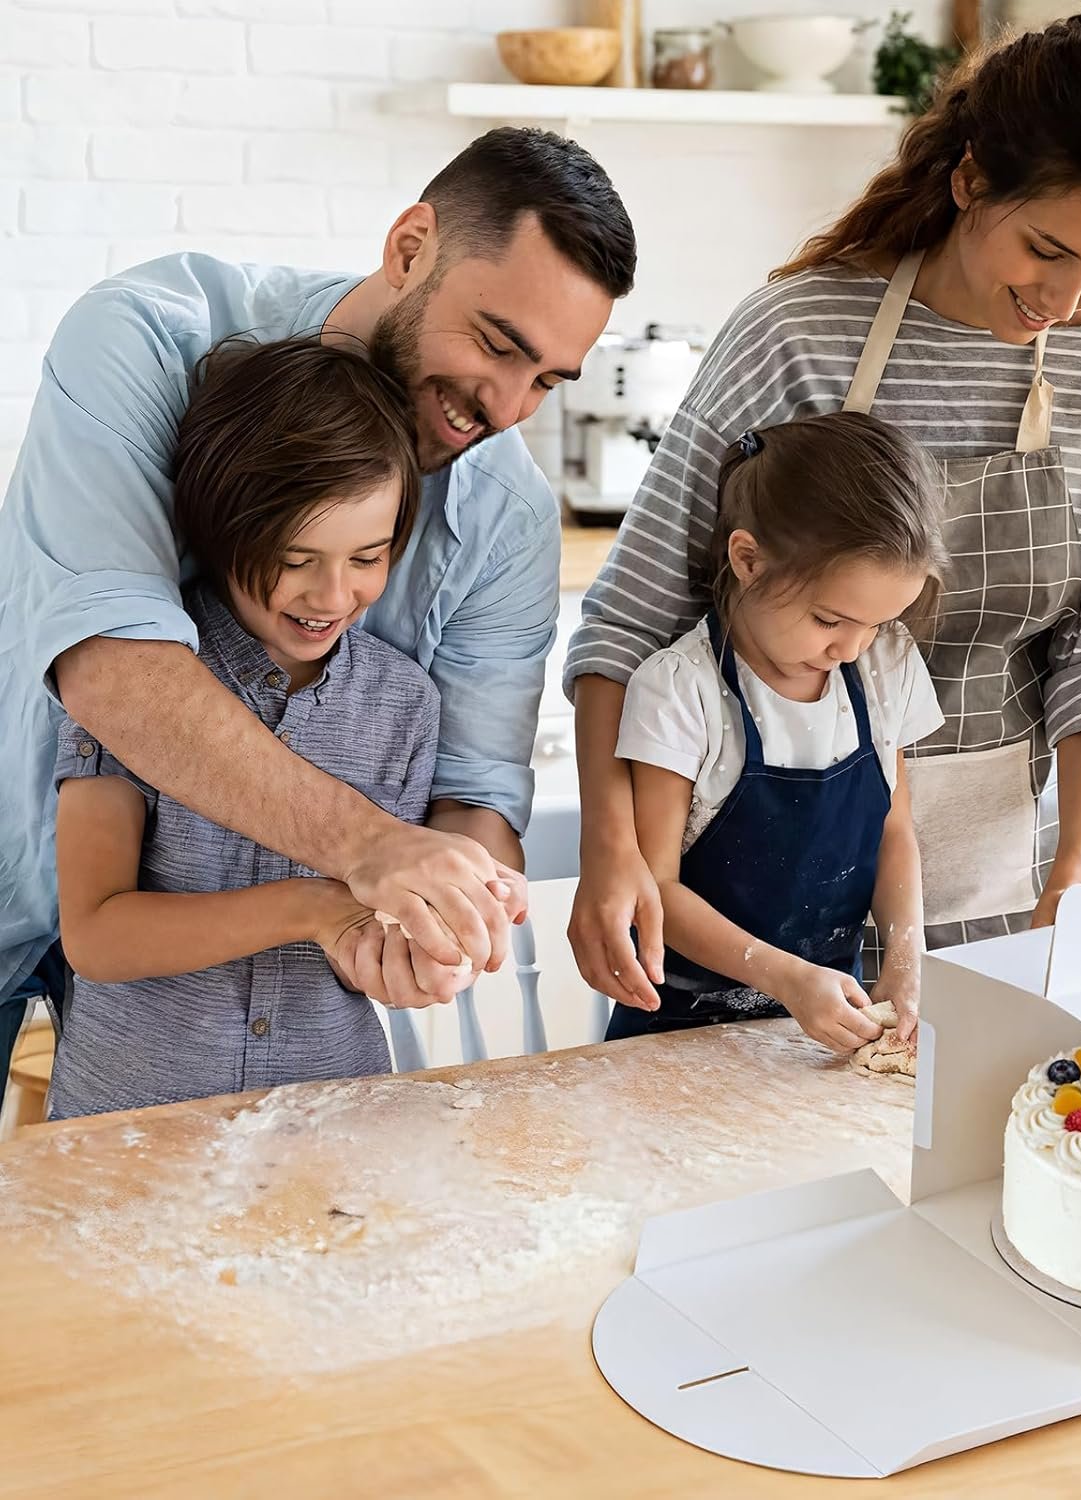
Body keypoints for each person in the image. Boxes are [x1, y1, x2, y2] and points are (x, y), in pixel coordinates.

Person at [565, 5, 1081, 1020]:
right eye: (1046, 248)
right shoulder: (799, 331)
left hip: (1004, 902)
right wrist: (612, 850)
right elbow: (633, 616)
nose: (1068, 295)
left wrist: (1077, 883)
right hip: (749, 920)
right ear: (969, 180)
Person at [0, 128, 636, 1104]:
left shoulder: (505, 517)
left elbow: (471, 801)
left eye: (547, 380)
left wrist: (438, 924)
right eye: (497, 345)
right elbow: (114, 670)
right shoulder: (141, 338)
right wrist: (364, 853)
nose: (507, 407)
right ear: (411, 245)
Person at [48, 338, 465, 1117]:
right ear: (219, 530)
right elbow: (96, 936)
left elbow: (364, 938)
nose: (333, 594)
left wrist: (408, 955)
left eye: (368, 557)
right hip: (132, 1122)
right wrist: (311, 908)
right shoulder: (138, 685)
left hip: (332, 1113)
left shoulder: (404, 704)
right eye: (295, 558)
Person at [613, 413, 946, 1050]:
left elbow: (893, 829)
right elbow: (655, 890)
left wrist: (907, 955)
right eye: (830, 620)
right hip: (678, 1033)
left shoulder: (885, 667)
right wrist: (788, 979)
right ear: (748, 560)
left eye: (876, 624)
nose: (852, 648)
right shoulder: (682, 691)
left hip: (822, 1031)